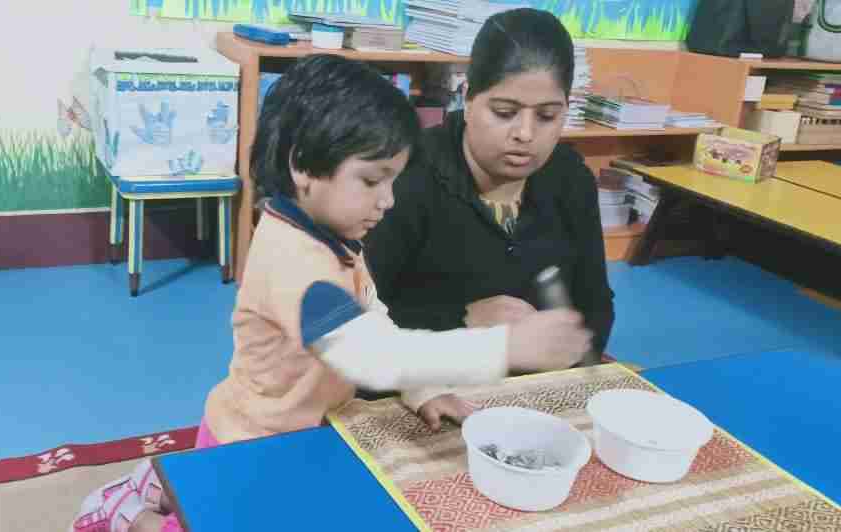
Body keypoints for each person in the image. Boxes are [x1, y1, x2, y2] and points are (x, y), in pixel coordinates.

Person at [71, 53, 592, 532]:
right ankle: (131, 515)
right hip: (249, 445)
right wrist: (507, 346)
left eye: (392, 180)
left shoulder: (332, 235)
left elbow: (374, 318)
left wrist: (421, 388)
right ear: (302, 165)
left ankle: (162, 484)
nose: (388, 201)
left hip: (307, 433)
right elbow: (370, 357)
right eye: (371, 181)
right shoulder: (296, 266)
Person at [365, 9, 615, 390]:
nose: (525, 134)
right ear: (467, 98)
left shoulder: (570, 179)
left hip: (537, 386)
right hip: (425, 388)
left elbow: (595, 304)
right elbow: (359, 328)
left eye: (547, 116)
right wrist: (462, 320)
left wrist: (569, 350)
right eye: (504, 112)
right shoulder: (406, 178)